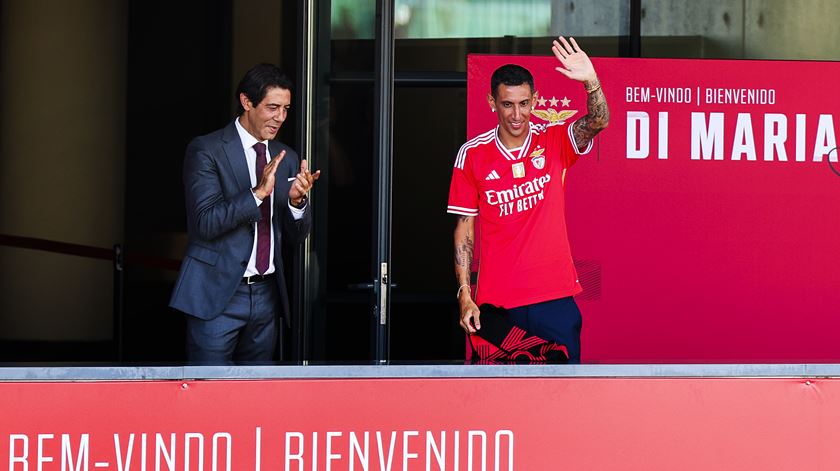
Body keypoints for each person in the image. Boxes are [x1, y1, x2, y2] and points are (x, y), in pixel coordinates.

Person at [447, 37, 609, 363]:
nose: (516, 114)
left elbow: (598, 121)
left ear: (534, 101)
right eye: (507, 104)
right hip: (497, 305)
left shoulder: (554, 140)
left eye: (523, 103)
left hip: (555, 297)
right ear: (492, 102)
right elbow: (464, 230)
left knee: (563, 400)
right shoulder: (472, 155)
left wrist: (591, 81)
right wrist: (465, 293)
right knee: (498, 406)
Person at [170, 63, 320, 364]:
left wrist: (296, 203)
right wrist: (257, 194)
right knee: (209, 395)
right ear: (247, 102)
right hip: (217, 293)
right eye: (273, 107)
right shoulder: (207, 150)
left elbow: (297, 237)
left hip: (266, 295)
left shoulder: (286, 157)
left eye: (286, 109)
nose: (280, 118)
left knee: (257, 397)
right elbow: (205, 223)